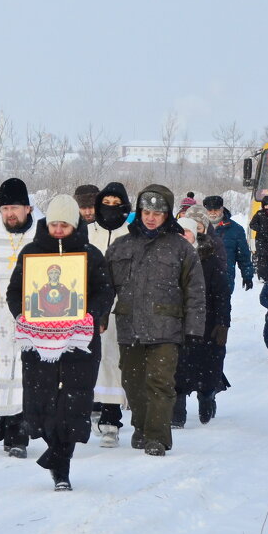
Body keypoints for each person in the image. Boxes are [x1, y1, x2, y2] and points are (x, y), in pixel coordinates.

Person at [7, 195, 114, 490]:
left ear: (74, 225)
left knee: (74, 402)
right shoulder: (31, 253)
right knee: (42, 401)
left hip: (79, 341)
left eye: (64, 225)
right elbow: (15, 292)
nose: (57, 230)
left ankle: (62, 464)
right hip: (40, 341)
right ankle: (53, 449)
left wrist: (89, 316)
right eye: (53, 223)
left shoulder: (90, 254)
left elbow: (105, 291)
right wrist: (22, 315)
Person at [105, 185, 205, 457]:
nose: (150, 218)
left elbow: (195, 291)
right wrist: (100, 317)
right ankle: (141, 426)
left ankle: (157, 437)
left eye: (157, 213)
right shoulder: (121, 246)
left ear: (167, 215)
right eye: (146, 212)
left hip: (167, 328)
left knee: (160, 383)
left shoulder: (180, 248)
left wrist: (194, 328)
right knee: (133, 384)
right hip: (130, 327)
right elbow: (105, 288)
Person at [0, 177, 35, 458]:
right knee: (1, 373)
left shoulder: (42, 236)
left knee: (25, 375)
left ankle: (18, 434)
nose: (10, 213)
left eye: (15, 207)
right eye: (4, 208)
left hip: (32, 318)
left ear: (28, 207)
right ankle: (7, 420)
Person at [172, 214, 230, 427]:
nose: (183, 236)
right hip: (177, 322)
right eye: (179, 232)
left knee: (207, 366)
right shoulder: (169, 259)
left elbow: (222, 295)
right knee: (176, 368)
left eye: (187, 231)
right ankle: (177, 413)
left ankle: (206, 396)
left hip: (207, 322)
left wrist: (223, 323)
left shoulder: (210, 259)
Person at [89, 182, 132, 447]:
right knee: (90, 358)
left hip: (120, 307)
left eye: (117, 205)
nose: (111, 210)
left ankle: (111, 421)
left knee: (113, 362)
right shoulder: (86, 232)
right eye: (107, 204)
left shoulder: (131, 234)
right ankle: (90, 408)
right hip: (89, 305)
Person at [203, 195, 254, 294]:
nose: (213, 213)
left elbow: (243, 255)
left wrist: (247, 275)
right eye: (210, 210)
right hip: (201, 279)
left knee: (222, 308)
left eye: (216, 209)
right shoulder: (198, 227)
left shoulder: (236, 229)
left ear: (222, 208)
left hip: (225, 278)